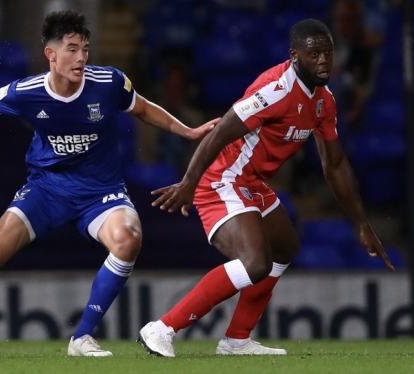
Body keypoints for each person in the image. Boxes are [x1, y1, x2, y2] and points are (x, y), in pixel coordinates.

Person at [0, 10, 217, 358]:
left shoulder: (109, 83)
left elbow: (140, 108)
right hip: (47, 189)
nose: (81, 58)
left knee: (128, 239)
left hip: (100, 191)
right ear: (51, 54)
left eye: (85, 49)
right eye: (72, 49)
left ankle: (81, 338)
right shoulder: (27, 92)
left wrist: (186, 130)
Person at [137, 19, 394, 358]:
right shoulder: (276, 90)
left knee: (286, 247)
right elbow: (219, 132)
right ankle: (163, 327)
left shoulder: (324, 101)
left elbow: (334, 165)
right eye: (314, 53)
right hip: (222, 180)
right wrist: (189, 182)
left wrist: (362, 223)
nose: (323, 61)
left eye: (328, 53)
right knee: (256, 262)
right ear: (294, 56)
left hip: (251, 182)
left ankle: (236, 341)